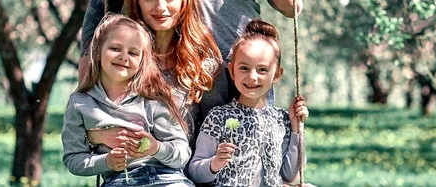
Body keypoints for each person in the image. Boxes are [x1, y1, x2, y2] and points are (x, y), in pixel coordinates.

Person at [79, 0, 304, 110]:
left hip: (240, 70)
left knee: (246, 160)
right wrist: (90, 107)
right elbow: (93, 36)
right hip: (164, 69)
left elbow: (290, 6)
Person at [61, 14, 193, 186]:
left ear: (141, 61)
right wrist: (106, 162)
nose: (124, 57)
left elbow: (182, 153)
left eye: (133, 53)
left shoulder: (153, 100)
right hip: (120, 180)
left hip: (166, 178)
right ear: (97, 51)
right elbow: (73, 158)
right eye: (115, 48)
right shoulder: (80, 104)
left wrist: (156, 148)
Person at [187, 19, 308, 186]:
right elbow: (194, 172)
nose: (252, 76)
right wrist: (213, 164)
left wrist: (296, 129)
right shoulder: (219, 117)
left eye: (262, 70)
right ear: (232, 71)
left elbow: (290, 176)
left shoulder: (282, 119)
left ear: (277, 74)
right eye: (244, 68)